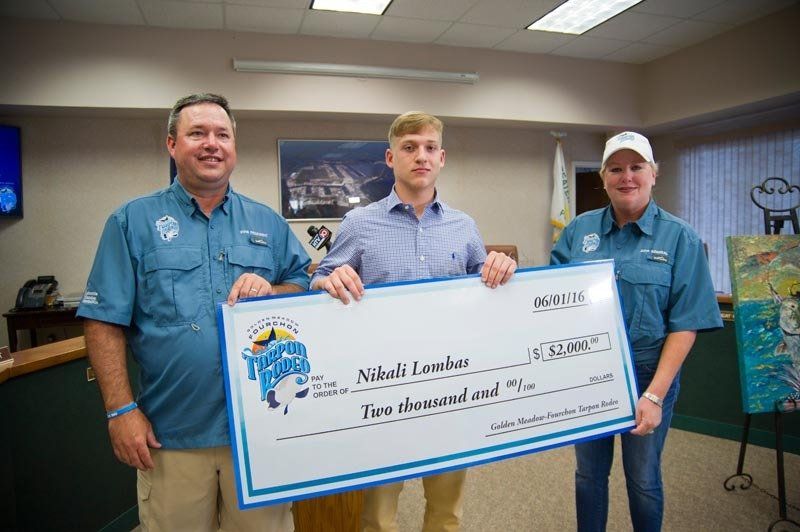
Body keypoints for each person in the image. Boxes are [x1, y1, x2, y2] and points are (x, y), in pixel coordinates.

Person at [77, 93, 310, 532]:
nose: (211, 144)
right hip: (171, 435)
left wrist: (272, 289)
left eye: (222, 134)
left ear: (234, 147)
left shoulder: (268, 223)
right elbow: (103, 320)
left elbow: (302, 286)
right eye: (197, 133)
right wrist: (120, 410)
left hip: (259, 431)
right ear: (171, 144)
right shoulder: (132, 222)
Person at [310, 111, 517, 532]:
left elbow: (488, 284)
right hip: (384, 390)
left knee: (446, 513)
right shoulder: (360, 223)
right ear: (390, 158)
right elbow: (317, 278)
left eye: (428, 148)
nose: (419, 156)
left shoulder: (464, 227)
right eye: (408, 148)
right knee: (379, 517)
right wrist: (329, 279)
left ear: (442, 158)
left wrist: (501, 265)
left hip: (451, 388)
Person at [550, 131, 722, 531]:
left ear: (653, 174)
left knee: (643, 479)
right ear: (604, 177)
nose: (626, 176)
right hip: (589, 377)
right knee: (589, 476)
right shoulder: (578, 231)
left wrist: (655, 394)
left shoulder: (681, 237)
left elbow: (686, 324)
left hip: (648, 375)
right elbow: (551, 302)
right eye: (616, 168)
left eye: (636, 167)